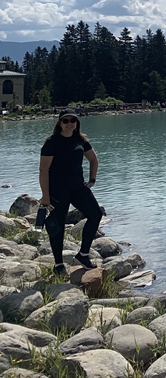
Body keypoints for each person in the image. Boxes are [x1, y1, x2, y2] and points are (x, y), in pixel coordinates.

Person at [38, 109, 104, 276]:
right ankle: (59, 264)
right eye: (65, 121)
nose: (69, 124)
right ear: (59, 123)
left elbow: (93, 159)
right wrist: (45, 195)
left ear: (76, 123)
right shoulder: (52, 142)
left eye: (72, 121)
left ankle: (83, 254)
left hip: (78, 188)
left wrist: (92, 180)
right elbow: (43, 169)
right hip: (57, 191)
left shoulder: (80, 140)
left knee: (95, 214)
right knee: (57, 226)